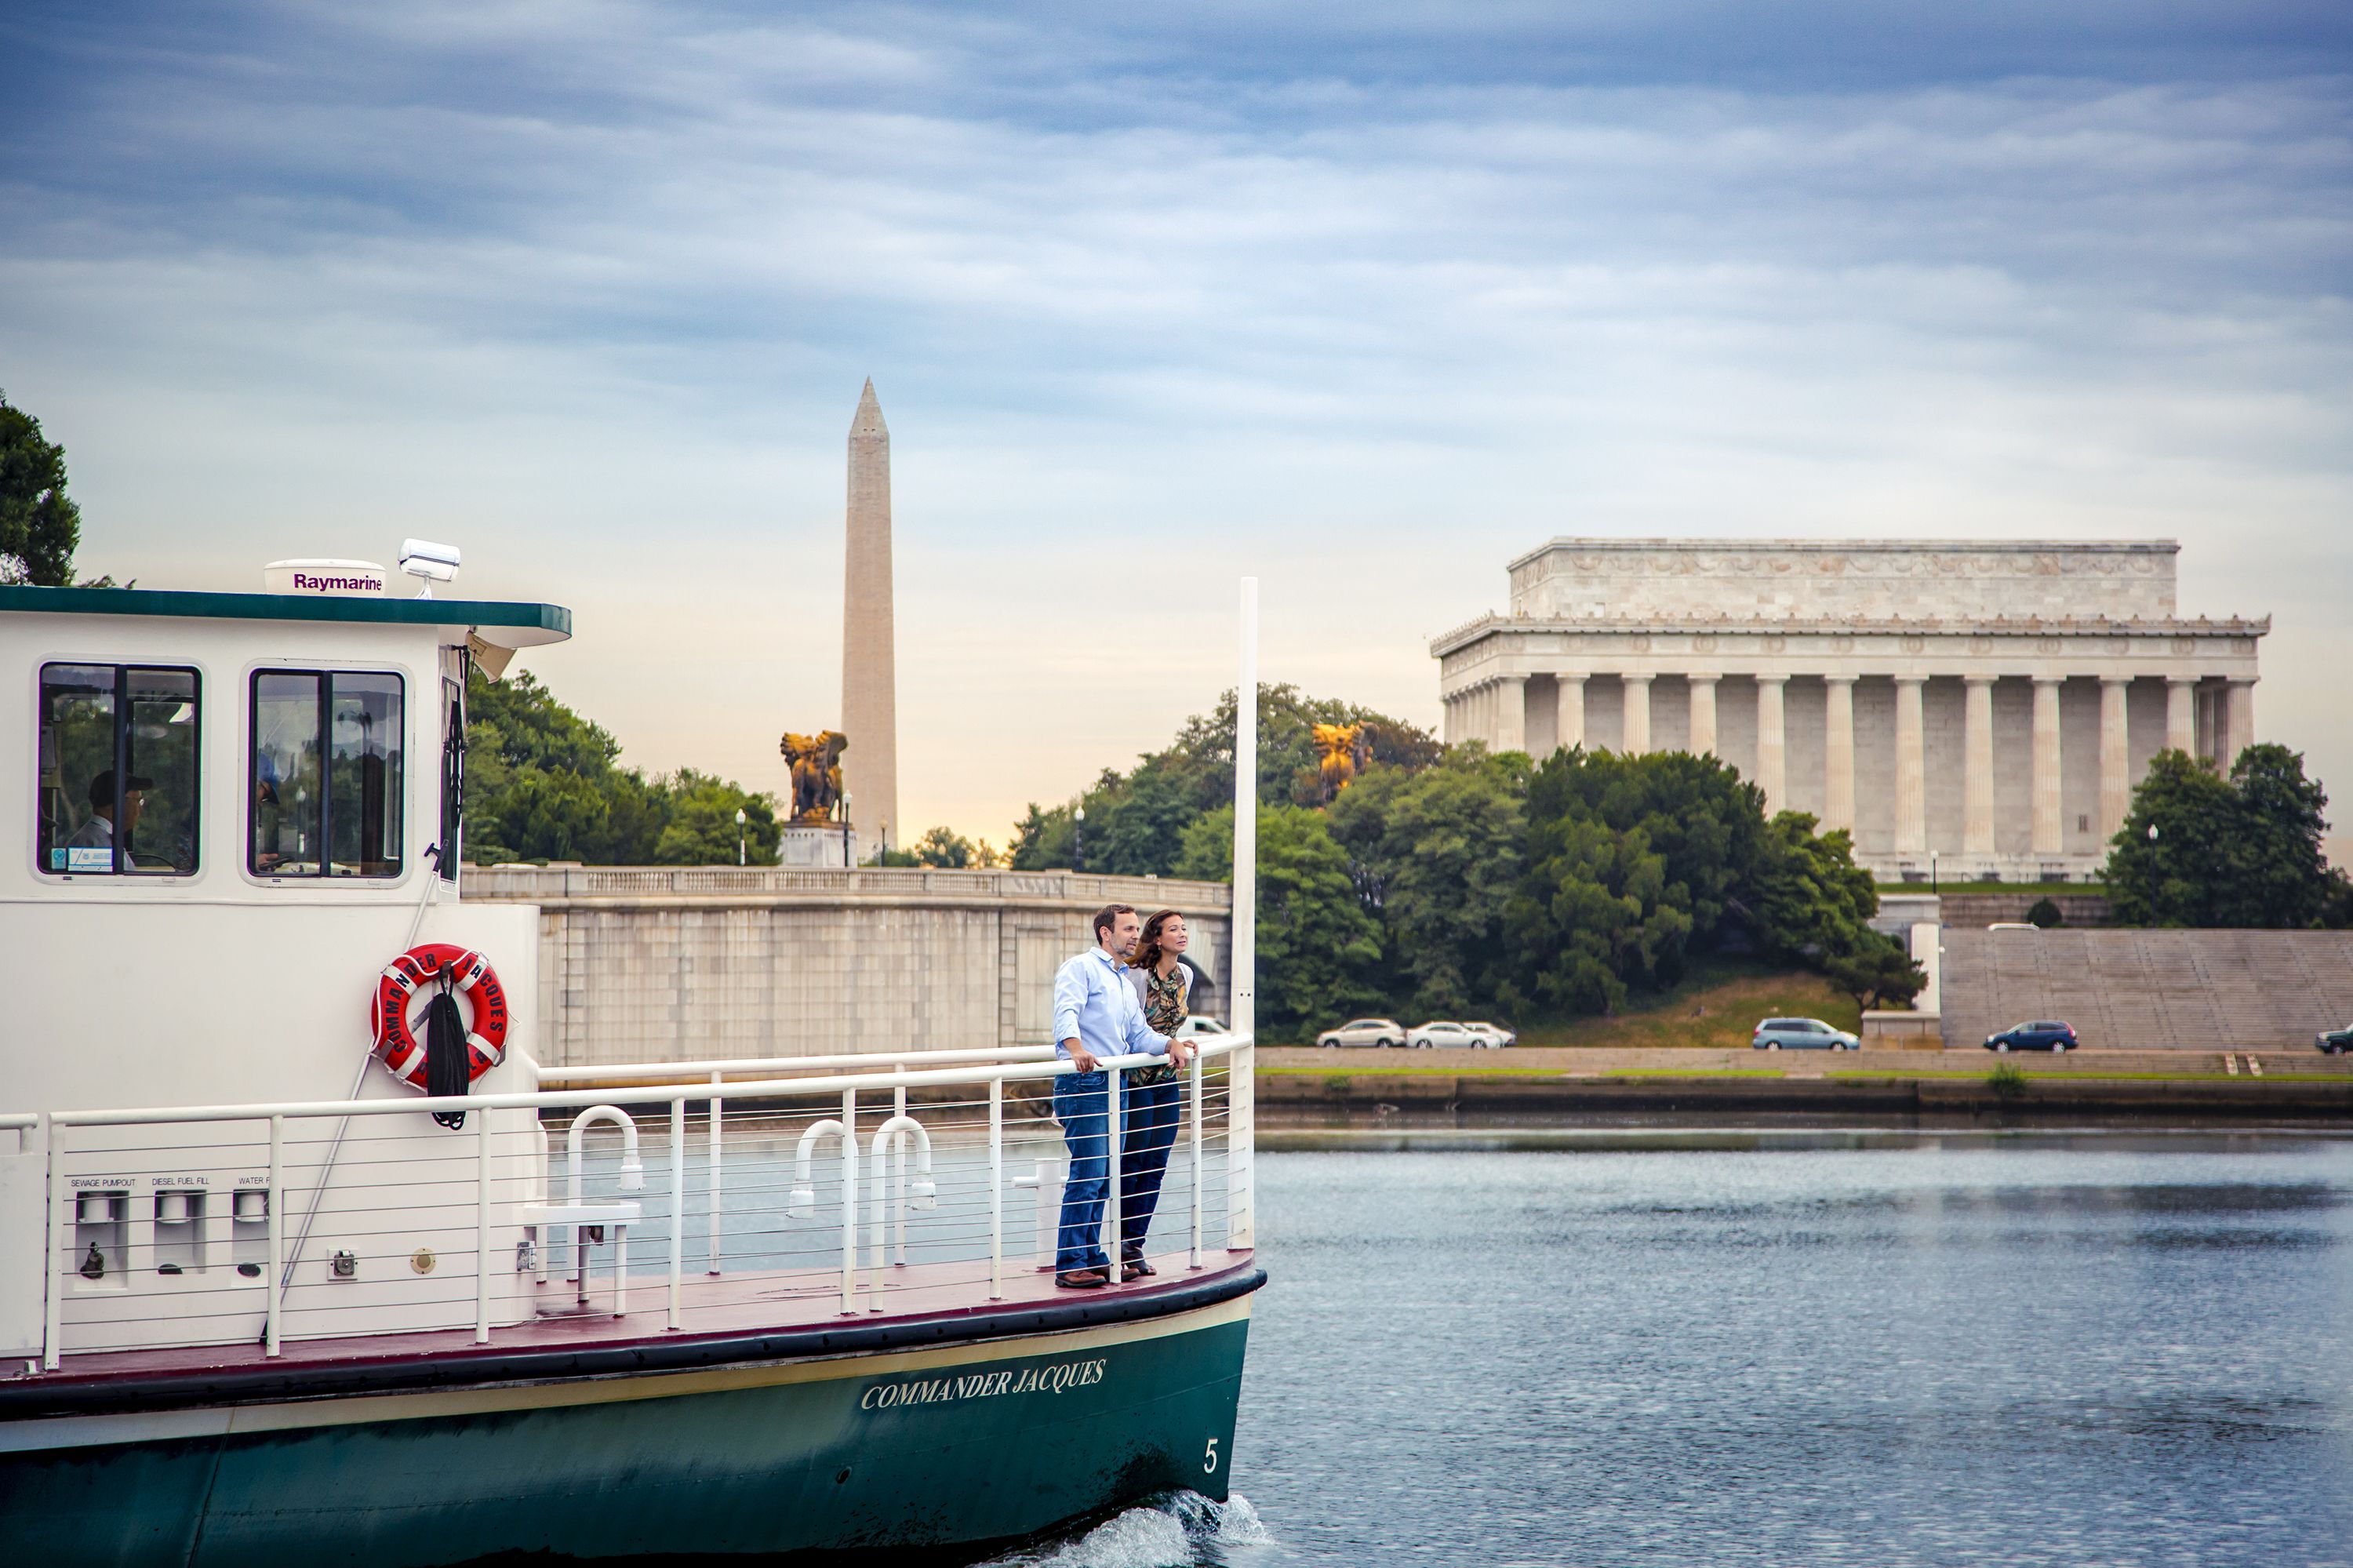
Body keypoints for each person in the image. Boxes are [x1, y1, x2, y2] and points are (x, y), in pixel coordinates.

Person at [1049, 904, 1181, 1289]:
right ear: (1105, 933)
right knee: (1088, 1173)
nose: (1134, 936)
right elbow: (1066, 1013)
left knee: (1107, 1176)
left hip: (1117, 1082)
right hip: (1085, 1082)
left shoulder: (1124, 980)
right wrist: (1075, 1049)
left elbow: (1138, 1035)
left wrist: (1170, 1043)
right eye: (1127, 929)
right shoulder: (1080, 968)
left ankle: (1093, 1255)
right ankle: (1070, 1261)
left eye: (1137, 929)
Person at [1119, 910, 1196, 1275]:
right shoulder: (1138, 976)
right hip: (1135, 1080)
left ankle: (1135, 1246)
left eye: (1184, 928)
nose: (1182, 934)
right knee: (1132, 1162)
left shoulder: (1186, 975)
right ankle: (1118, 1246)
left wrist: (1178, 1041)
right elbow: (1129, 1028)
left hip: (1166, 1078)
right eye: (1174, 930)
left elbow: (1172, 1022)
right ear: (1158, 938)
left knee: (1156, 1165)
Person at [67, 769, 151, 869]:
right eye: (138, 801)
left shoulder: (99, 837)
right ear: (119, 802)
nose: (140, 809)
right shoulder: (98, 847)